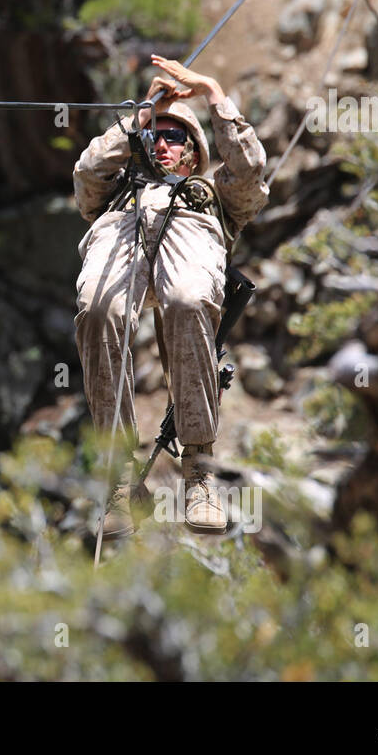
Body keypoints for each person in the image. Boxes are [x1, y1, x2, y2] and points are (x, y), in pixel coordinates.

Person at [73, 55, 269, 535]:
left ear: (194, 151)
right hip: (121, 233)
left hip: (189, 237)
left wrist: (214, 96)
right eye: (152, 137)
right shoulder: (119, 191)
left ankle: (198, 470)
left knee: (186, 299)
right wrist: (139, 117)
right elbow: (87, 174)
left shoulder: (212, 195)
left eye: (173, 135)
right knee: (100, 309)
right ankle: (119, 477)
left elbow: (249, 172)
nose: (161, 142)